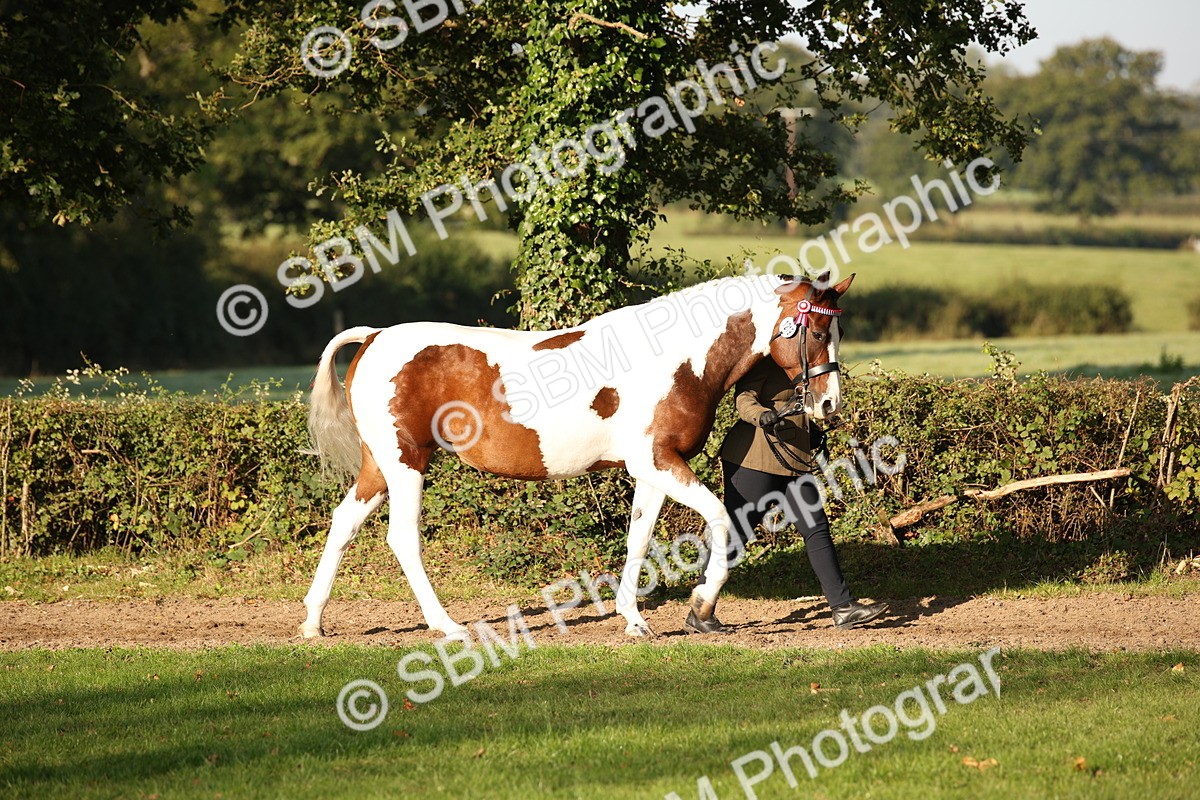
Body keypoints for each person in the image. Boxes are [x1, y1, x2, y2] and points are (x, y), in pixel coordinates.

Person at [700, 358, 888, 632]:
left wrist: (811, 433)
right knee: (735, 536)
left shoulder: (804, 365)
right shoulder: (764, 361)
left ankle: (843, 608)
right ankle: (700, 611)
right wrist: (761, 415)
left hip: (793, 461)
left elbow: (796, 407)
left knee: (817, 529)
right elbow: (743, 398)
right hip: (754, 459)